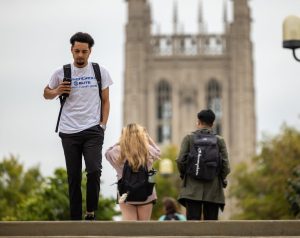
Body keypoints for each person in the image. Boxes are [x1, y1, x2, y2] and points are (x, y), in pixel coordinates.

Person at [43, 32, 113, 220]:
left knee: (93, 170)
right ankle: (75, 218)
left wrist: (103, 125)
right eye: (77, 51)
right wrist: (57, 90)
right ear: (71, 50)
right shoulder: (61, 72)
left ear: (90, 51)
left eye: (84, 51)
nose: (80, 55)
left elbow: (106, 101)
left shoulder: (100, 71)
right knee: (73, 176)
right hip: (68, 131)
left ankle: (90, 211)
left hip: (93, 130)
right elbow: (46, 93)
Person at [176, 109, 230, 220]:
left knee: (192, 225)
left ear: (198, 122)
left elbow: (180, 160)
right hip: (213, 189)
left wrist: (184, 175)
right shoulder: (219, 140)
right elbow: (226, 165)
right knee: (211, 226)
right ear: (212, 123)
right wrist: (221, 178)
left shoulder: (189, 138)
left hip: (192, 189)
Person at [105, 123, 160, 221]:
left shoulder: (117, 151)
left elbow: (107, 153)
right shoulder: (147, 150)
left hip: (125, 193)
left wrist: (120, 141)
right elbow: (158, 152)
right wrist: (148, 139)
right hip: (146, 193)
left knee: (130, 229)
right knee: (143, 229)